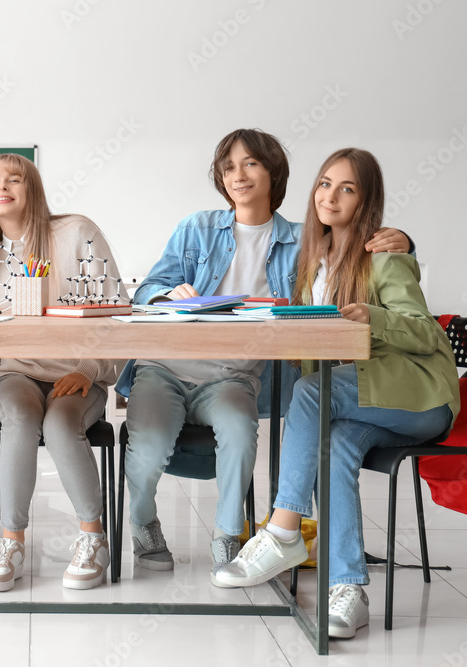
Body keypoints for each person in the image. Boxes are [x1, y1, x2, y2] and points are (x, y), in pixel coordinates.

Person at [120, 129, 411, 581]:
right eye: (229, 166)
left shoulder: (303, 241)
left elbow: (356, 248)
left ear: (274, 171)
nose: (238, 174)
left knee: (240, 434)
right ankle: (143, 523)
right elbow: (147, 290)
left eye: (251, 163)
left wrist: (405, 240)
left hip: (233, 378)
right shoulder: (196, 227)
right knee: (148, 449)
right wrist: (166, 295)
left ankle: (230, 536)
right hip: (165, 368)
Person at [212, 148, 460, 639]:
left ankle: (282, 531)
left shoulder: (385, 256)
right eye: (325, 183)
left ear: (366, 201)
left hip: (418, 399)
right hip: (360, 399)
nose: (331, 195)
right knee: (334, 444)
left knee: (309, 394)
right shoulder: (312, 261)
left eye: (348, 188)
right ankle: (348, 590)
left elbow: (426, 333)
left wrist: (376, 317)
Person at [0, 153, 126, 592]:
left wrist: (89, 367)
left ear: (33, 188)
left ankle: (92, 538)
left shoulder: (77, 232)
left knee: (60, 423)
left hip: (80, 373)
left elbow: (113, 314)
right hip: (17, 373)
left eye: (14, 179)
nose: (2, 186)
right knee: (21, 419)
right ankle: (10, 542)